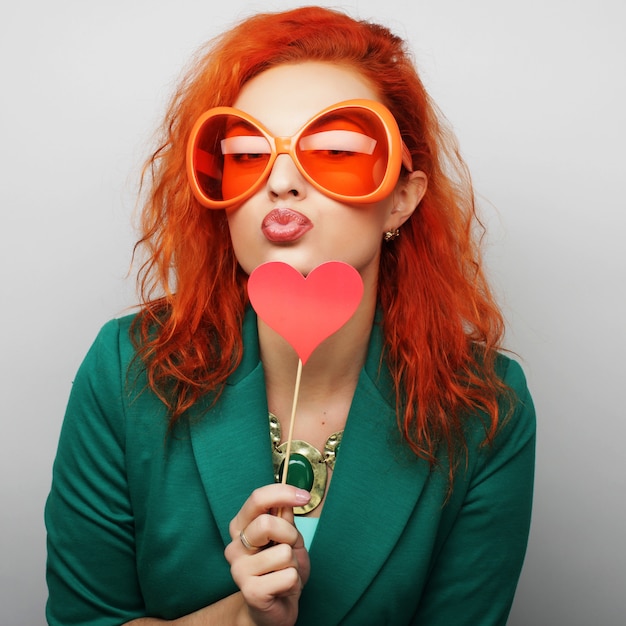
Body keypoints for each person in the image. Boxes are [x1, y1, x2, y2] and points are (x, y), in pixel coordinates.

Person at [45, 6, 535, 626]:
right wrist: (243, 620)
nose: (281, 182)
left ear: (400, 200)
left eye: (334, 151)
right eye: (247, 155)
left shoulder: (487, 410)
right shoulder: (127, 370)